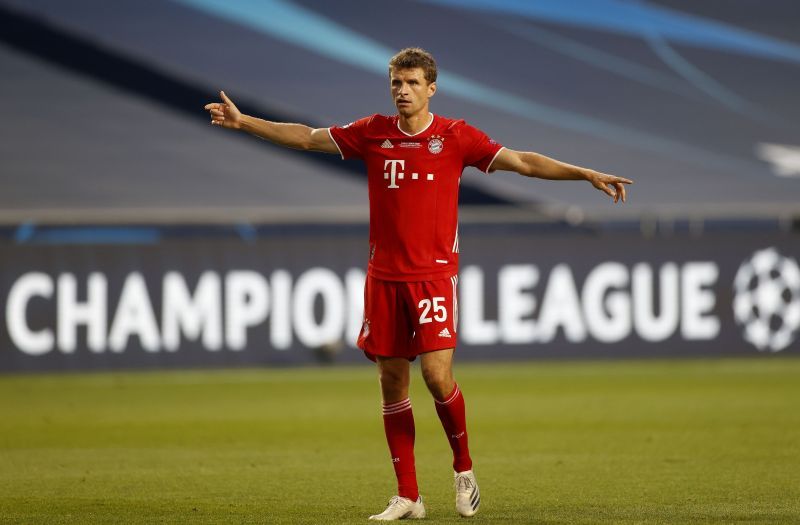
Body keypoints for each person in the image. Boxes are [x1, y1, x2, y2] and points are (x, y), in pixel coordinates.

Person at [205, 47, 632, 521]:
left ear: (431, 88)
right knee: (391, 382)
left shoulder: (455, 136)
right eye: (395, 83)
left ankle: (463, 469)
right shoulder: (372, 132)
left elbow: (524, 162)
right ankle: (408, 495)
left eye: (411, 83)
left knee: (436, 375)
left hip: (432, 278)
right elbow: (306, 137)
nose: (402, 91)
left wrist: (585, 174)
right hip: (384, 278)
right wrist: (246, 123)